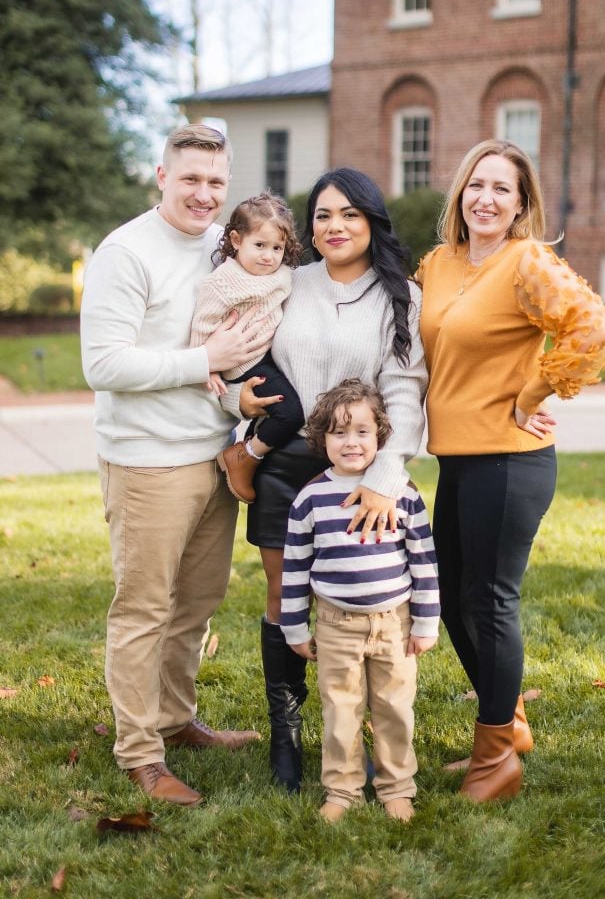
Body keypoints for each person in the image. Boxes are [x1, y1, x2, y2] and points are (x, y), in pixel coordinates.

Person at [416, 139, 605, 802]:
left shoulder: (526, 262)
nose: (486, 199)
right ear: (460, 194)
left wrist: (530, 394)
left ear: (521, 204)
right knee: (448, 598)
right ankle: (508, 723)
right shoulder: (438, 265)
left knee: (490, 602)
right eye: (477, 185)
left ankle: (494, 760)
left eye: (502, 189)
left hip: (509, 460)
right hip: (456, 458)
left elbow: (589, 329)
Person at [80, 124, 271, 807]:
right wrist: (204, 361)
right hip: (147, 466)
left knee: (194, 604)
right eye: (189, 178)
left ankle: (174, 718)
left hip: (212, 458)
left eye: (215, 182)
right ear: (161, 176)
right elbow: (101, 363)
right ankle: (140, 755)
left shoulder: (223, 248)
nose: (203, 193)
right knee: (143, 609)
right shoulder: (125, 252)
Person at [227, 167, 428, 794]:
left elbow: (404, 386)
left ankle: (358, 732)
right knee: (283, 594)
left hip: (360, 470)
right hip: (285, 463)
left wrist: (386, 478)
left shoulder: (400, 296)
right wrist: (238, 406)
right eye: (322, 215)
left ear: (372, 221)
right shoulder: (287, 283)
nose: (334, 226)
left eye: (349, 214)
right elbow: (240, 351)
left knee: (362, 601)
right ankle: (285, 738)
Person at [280, 380, 440, 823]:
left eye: (362, 432)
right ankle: (343, 790)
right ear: (321, 440)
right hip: (335, 623)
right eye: (339, 433)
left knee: (393, 708)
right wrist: (295, 628)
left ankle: (396, 787)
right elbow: (295, 568)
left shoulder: (402, 493)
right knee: (341, 710)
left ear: (380, 436)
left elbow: (423, 560)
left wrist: (426, 623)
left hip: (395, 623)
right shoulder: (311, 498)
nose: (351, 442)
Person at [189, 191, 305, 503]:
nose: (269, 255)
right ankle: (244, 456)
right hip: (245, 363)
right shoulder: (224, 281)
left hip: (268, 355)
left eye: (277, 247)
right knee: (292, 413)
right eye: (260, 245)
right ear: (237, 241)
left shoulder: (281, 275)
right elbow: (202, 324)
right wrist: (206, 365)